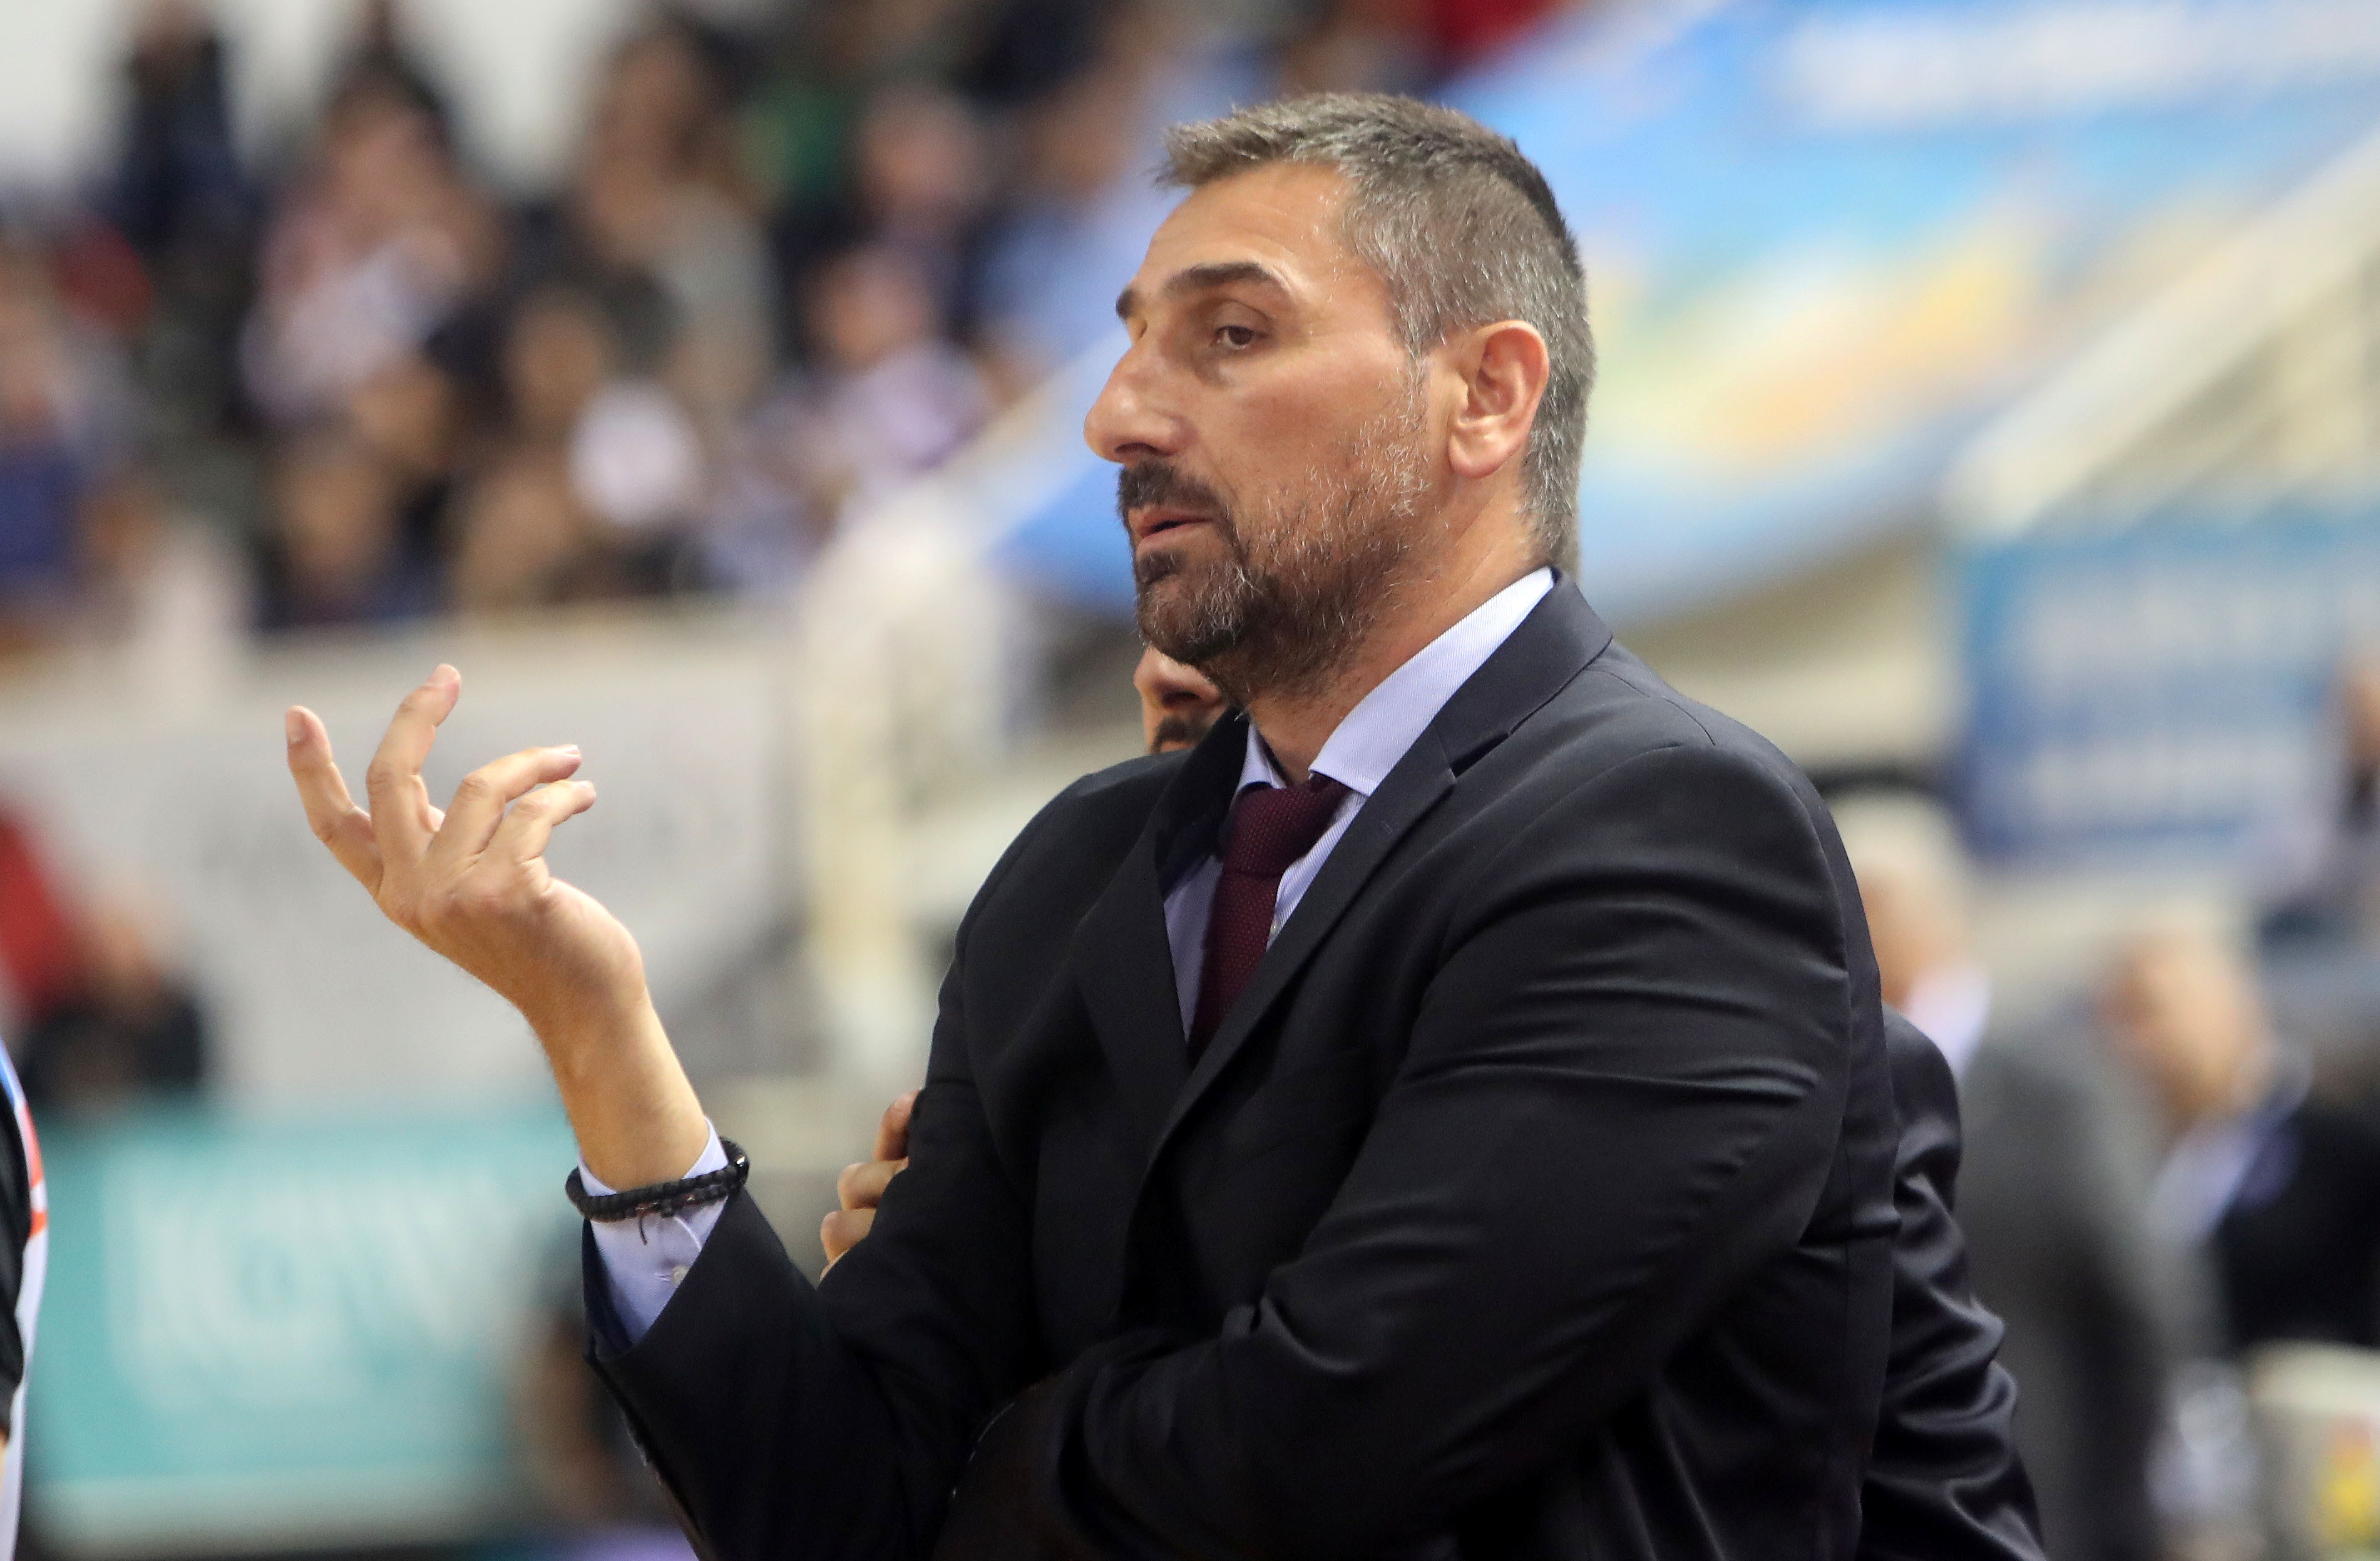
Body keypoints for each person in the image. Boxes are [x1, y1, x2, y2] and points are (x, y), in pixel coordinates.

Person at [286, 95, 2013, 1558]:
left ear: (1485, 397)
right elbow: (825, 1506)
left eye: (1232, 335)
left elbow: (1318, 1447)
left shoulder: (1665, 833)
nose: (1116, 414)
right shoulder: (1074, 871)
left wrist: (995, 1431)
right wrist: (599, 1033)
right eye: (1125, 341)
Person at [1835, 793, 2163, 1561]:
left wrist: (2128, 1512)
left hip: (2049, 1509)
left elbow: (2140, 1304)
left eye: (1876, 903)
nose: (1856, 927)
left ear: (1944, 916)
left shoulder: (2055, 1088)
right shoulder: (1822, 1093)